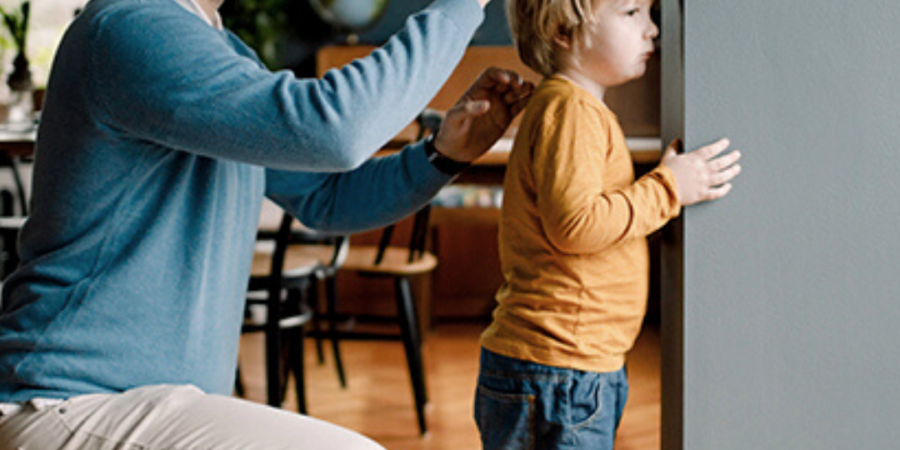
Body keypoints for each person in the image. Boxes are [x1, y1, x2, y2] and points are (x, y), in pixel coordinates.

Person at [0, 0, 534, 448]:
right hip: (68, 401)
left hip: (153, 404)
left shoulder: (220, 49)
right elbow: (333, 129)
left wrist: (442, 155)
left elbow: (327, 199)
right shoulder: (131, 24)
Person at [474, 0, 742, 449]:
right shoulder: (572, 112)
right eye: (632, 13)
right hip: (560, 370)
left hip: (567, 366)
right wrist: (669, 188)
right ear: (564, 30)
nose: (652, 30)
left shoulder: (574, 109)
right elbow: (576, 225)